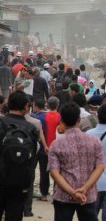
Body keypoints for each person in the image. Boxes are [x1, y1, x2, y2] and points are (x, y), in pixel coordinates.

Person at [48, 102, 105, 221]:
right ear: (79, 119)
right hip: (87, 195)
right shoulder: (95, 141)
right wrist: (84, 188)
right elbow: (100, 167)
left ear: (61, 121)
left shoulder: (56, 144)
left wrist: (72, 192)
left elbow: (54, 172)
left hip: (64, 195)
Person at [0, 91, 38, 221]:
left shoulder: (1, 123)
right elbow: (33, 157)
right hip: (19, 182)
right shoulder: (31, 128)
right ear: (26, 106)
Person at [23, 95, 47, 217]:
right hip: (30, 155)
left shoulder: (5, 120)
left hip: (10, 158)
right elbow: (39, 139)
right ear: (28, 106)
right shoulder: (35, 122)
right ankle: (27, 209)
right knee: (29, 180)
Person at [37, 97, 61, 202]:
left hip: (44, 148)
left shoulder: (42, 117)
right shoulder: (61, 117)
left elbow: (40, 133)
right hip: (58, 149)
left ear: (47, 104)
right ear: (58, 105)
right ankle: (56, 194)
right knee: (57, 171)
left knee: (43, 171)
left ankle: (44, 194)